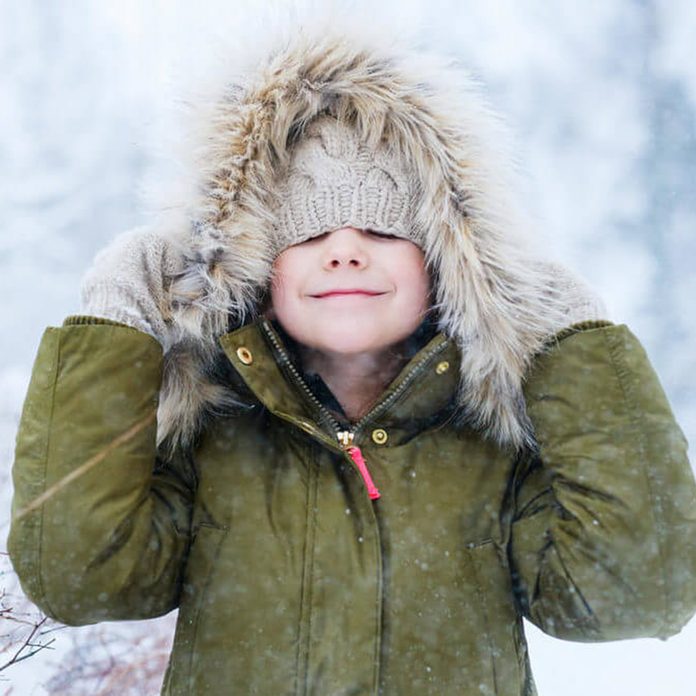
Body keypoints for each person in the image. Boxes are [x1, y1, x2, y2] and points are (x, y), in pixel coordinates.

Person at [8, 25, 696, 696]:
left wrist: (569, 334)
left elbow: (640, 594)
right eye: (307, 232)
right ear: (256, 268)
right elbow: (80, 578)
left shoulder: (496, 450)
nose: (344, 250)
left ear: (441, 261)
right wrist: (118, 317)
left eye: (382, 229)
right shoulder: (209, 442)